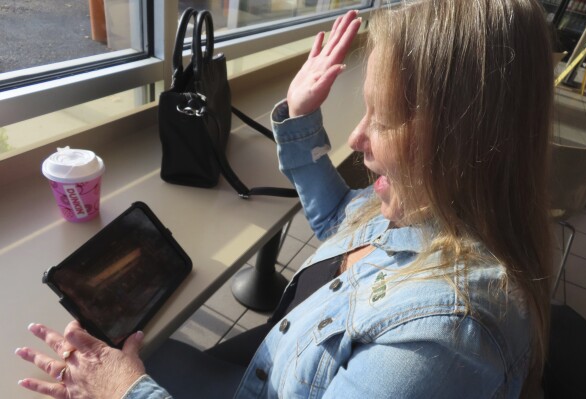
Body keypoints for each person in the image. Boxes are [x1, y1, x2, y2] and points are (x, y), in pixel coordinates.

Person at [15, 1, 555, 397]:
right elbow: (348, 224)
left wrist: (125, 391)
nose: (357, 139)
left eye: (383, 120)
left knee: (153, 360)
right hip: (262, 365)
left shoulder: (442, 343)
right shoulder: (432, 210)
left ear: (463, 143)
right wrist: (299, 118)